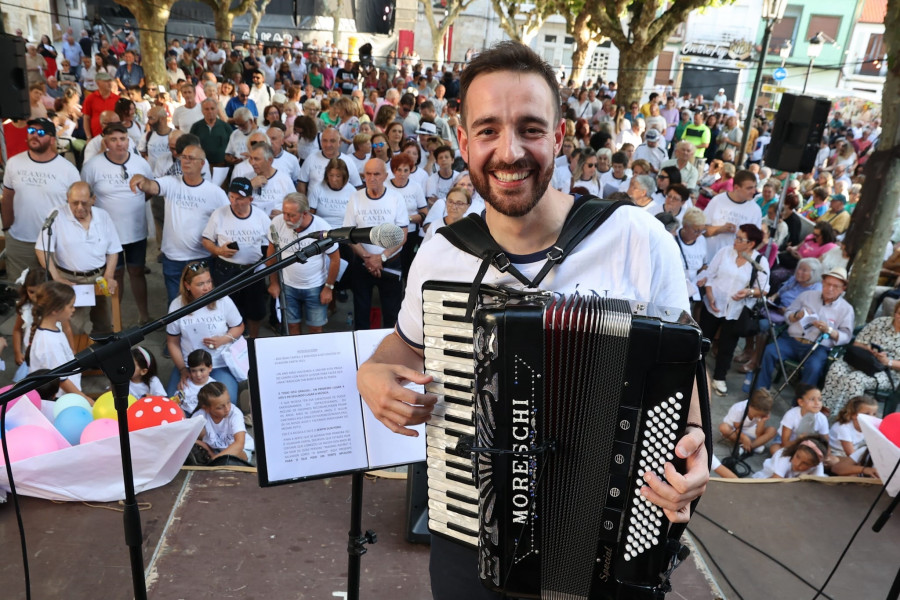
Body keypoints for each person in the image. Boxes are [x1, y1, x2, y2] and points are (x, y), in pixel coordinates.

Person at [355, 42, 708, 600]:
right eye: (489, 130)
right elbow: (400, 350)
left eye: (530, 128)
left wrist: (695, 443)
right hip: (473, 533)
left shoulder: (637, 239)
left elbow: (683, 370)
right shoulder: (443, 253)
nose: (509, 150)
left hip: (611, 529)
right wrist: (370, 375)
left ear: (559, 137)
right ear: (465, 141)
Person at [129, 144, 229, 303]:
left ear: (202, 163)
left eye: (191, 158)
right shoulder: (171, 183)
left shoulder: (215, 193)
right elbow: (152, 186)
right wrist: (142, 180)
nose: (185, 161)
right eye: (183, 157)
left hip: (200, 259)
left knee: (201, 303)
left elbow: (227, 223)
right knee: (176, 303)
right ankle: (176, 329)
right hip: (173, 259)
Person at [80, 123, 155, 325]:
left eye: (122, 138)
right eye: (113, 139)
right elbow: (85, 196)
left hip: (136, 230)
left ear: (128, 140)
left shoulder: (141, 164)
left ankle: (144, 316)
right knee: (115, 275)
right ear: (105, 142)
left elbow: (150, 190)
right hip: (107, 234)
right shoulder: (92, 166)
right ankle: (115, 320)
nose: (119, 143)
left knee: (138, 271)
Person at [35, 182, 122, 336]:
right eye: (75, 203)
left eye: (84, 202)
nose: (80, 207)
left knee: (105, 324)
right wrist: (56, 277)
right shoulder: (56, 215)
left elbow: (113, 250)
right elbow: (42, 249)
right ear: (67, 199)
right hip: (70, 279)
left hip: (99, 277)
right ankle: (75, 356)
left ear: (93, 199)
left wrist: (109, 275)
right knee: (72, 327)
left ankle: (102, 353)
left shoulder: (103, 216)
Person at [2, 118, 80, 283]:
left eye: (41, 132)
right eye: (31, 131)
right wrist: (7, 228)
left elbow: (76, 207)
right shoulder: (14, 163)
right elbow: (8, 196)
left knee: (53, 295)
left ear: (53, 139)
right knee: (19, 293)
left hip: (55, 244)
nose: (35, 135)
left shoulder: (68, 170)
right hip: (20, 242)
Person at [699, 224, 769, 396]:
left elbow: (764, 289)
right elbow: (710, 275)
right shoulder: (724, 252)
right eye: (736, 237)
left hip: (736, 310)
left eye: (740, 238)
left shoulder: (759, 262)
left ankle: (719, 377)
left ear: (751, 244)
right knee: (703, 338)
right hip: (714, 303)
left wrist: (749, 292)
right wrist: (709, 294)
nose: (735, 241)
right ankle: (692, 370)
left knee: (727, 346)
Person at [201, 178, 271, 338]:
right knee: (226, 308)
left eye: (239, 198)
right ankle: (230, 343)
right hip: (226, 269)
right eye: (231, 197)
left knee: (255, 310)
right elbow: (206, 239)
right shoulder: (219, 214)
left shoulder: (261, 217)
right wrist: (218, 250)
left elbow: (271, 243)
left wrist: (267, 264)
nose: (234, 202)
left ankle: (253, 342)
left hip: (254, 270)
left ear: (250, 199)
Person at [166, 262, 245, 404]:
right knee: (176, 404)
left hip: (218, 362)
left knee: (225, 402)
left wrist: (222, 340)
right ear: (187, 285)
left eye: (209, 281)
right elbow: (172, 342)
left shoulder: (222, 300)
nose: (207, 287)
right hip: (191, 365)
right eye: (200, 284)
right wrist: (183, 369)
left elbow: (239, 327)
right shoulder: (177, 305)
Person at [345, 158, 409, 330]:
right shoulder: (355, 198)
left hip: (390, 261)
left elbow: (402, 235)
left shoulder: (396, 198)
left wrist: (381, 257)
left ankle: (391, 349)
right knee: (361, 309)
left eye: (377, 174)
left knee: (392, 311)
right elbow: (348, 234)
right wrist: (368, 258)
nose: (372, 178)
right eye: (368, 174)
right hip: (362, 262)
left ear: (385, 176)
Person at [266, 193, 340, 335]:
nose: (286, 219)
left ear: (305, 213)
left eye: (291, 215)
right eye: (284, 213)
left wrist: (329, 287)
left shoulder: (322, 228)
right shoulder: (277, 223)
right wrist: (273, 282)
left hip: (315, 287)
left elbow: (335, 259)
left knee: (315, 328)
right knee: (292, 326)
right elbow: (271, 254)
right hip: (287, 286)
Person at [822, 302, 900, 416]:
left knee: (855, 379)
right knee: (836, 369)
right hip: (862, 361)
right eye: (899, 313)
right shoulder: (880, 322)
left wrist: (887, 361)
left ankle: (849, 417)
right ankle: (825, 412)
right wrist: (870, 349)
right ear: (895, 312)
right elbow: (858, 343)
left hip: (888, 373)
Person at [27, 281, 91, 402]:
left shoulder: (52, 329)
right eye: (70, 306)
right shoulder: (49, 343)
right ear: (56, 310)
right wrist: (86, 399)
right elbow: (62, 380)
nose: (73, 309)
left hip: (66, 396)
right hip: (61, 399)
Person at [703, 169, 761, 262]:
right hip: (710, 258)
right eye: (749, 188)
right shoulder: (717, 201)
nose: (754, 191)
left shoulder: (755, 210)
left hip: (733, 263)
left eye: (754, 187)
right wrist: (719, 229)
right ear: (737, 187)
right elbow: (701, 230)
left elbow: (755, 242)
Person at [192, 381, 254, 462]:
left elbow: (239, 444)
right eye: (220, 407)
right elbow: (188, 438)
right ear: (206, 408)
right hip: (215, 449)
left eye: (228, 402)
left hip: (240, 450)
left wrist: (215, 459)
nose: (227, 408)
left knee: (232, 458)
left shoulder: (235, 413)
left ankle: (220, 461)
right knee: (192, 444)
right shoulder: (200, 415)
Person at [828, 396, 880, 477]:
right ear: (854, 415)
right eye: (867, 414)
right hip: (836, 454)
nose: (872, 417)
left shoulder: (867, 427)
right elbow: (851, 453)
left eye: (874, 414)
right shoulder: (843, 428)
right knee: (849, 470)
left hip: (852, 455)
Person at [770, 384, 829, 455]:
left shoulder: (822, 418)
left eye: (820, 399)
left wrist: (827, 456)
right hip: (787, 443)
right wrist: (800, 439)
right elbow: (784, 443)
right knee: (775, 449)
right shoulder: (791, 414)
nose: (817, 403)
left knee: (833, 460)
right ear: (801, 402)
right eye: (812, 399)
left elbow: (826, 442)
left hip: (806, 446)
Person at [719, 388, 777, 454]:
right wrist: (744, 438)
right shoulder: (739, 409)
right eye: (756, 414)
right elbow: (737, 427)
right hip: (735, 429)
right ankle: (752, 446)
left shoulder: (762, 413)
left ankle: (747, 447)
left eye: (760, 415)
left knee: (772, 430)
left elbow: (758, 434)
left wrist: (762, 421)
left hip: (749, 429)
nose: (758, 417)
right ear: (750, 406)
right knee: (723, 427)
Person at [752, 436, 827, 479]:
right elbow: (774, 482)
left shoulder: (818, 465)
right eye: (797, 456)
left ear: (814, 465)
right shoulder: (784, 456)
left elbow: (818, 484)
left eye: (805, 463)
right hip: (767, 478)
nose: (797, 464)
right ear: (796, 449)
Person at [675, 207, 707, 302]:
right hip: (676, 288)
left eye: (702, 231)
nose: (699, 234)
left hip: (693, 291)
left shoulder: (701, 240)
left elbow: (705, 264)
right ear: (685, 226)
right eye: (696, 231)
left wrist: (703, 277)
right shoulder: (673, 238)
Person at [179, 348, 216, 416]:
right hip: (185, 412)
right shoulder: (186, 383)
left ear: (210, 368)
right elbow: (179, 397)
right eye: (193, 371)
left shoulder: (213, 386)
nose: (198, 375)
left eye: (201, 370)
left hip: (204, 415)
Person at [82, 71, 119, 139]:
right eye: (106, 81)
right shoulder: (90, 98)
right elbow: (86, 118)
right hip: (95, 137)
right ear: (98, 83)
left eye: (110, 81)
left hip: (113, 137)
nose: (109, 83)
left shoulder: (117, 99)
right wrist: (88, 137)